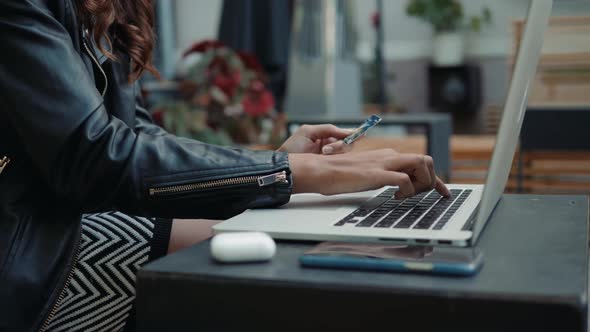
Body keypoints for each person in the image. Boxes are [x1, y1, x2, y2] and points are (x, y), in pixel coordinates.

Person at [0, 0, 449, 331]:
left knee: (303, 242)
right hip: (36, 246)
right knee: (289, 264)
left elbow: (139, 138)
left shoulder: (107, 8)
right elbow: (95, 157)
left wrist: (274, 164)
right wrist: (291, 172)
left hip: (80, 216)